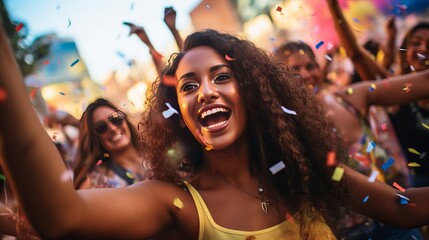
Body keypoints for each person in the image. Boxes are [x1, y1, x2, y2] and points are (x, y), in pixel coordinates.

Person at [1, 22, 429, 239]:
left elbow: (403, 207)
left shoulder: (306, 171)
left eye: (221, 77)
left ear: (255, 91)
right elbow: (61, 216)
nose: (205, 92)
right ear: (178, 113)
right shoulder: (176, 203)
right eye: (188, 87)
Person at [274, 41, 424, 239]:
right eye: (295, 68)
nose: (305, 74)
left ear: (320, 68)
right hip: (347, 234)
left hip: (396, 221)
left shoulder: (348, 99)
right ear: (280, 80)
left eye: (310, 66)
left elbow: (419, 83)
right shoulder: (286, 131)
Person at [326, 0, 429, 188]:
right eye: (416, 43)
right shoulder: (396, 93)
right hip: (419, 189)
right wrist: (333, 7)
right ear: (406, 53)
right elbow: (355, 53)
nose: (423, 48)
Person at [72, 98, 149, 189]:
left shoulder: (156, 150)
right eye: (101, 127)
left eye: (115, 118)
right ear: (94, 138)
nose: (112, 128)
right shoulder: (96, 180)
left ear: (124, 119)